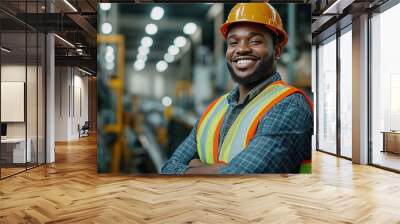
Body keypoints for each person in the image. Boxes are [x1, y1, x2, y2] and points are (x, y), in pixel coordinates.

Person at [161, 3, 313, 174]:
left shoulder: (290, 107)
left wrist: (195, 169)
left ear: (277, 51)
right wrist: (216, 170)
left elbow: (239, 179)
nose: (241, 49)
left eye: (255, 41)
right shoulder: (215, 108)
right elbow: (168, 170)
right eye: (233, 42)